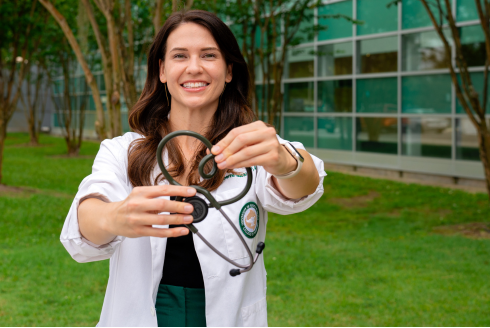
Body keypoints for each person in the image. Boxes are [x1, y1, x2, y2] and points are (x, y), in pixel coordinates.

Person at [60, 9, 326, 327]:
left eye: (209, 55)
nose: (194, 67)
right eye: (180, 56)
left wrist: (285, 162)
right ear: (162, 70)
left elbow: (304, 185)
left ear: (229, 70)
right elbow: (87, 217)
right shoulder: (122, 151)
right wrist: (114, 217)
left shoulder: (252, 146)